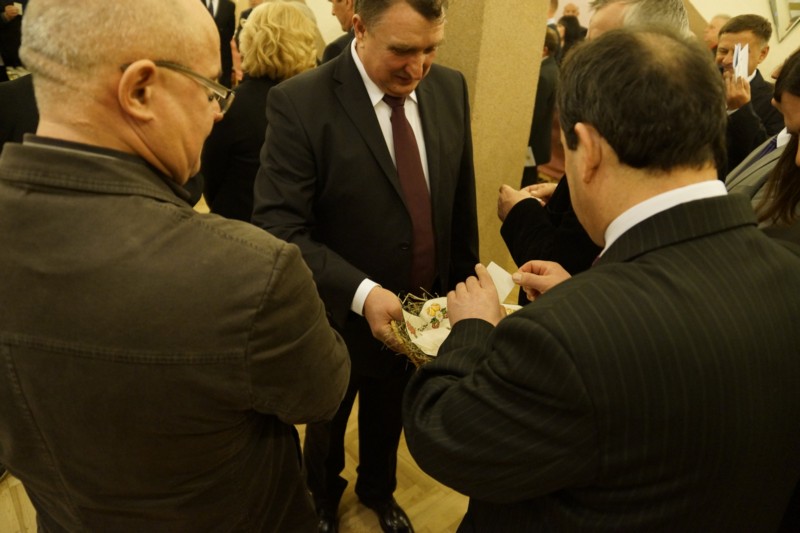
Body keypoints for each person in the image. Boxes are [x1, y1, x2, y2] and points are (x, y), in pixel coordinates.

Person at [403, 27, 800, 531]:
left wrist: (472, 330)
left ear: (587, 150)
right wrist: (582, 294)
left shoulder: (565, 336)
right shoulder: (789, 273)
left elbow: (445, 434)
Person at [0, 0, 349, 531]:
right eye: (210, 89)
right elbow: (323, 393)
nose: (217, 112)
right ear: (140, 91)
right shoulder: (252, 275)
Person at [251, 0, 479, 530]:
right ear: (359, 27)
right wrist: (362, 292)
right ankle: (322, 497)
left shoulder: (450, 88)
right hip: (338, 314)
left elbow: (458, 200)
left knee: (392, 409)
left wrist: (463, 287)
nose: (418, 68)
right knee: (329, 421)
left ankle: (379, 489)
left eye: (431, 49)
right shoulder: (300, 102)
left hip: (422, 313)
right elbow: (278, 226)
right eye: (402, 50)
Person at [499, 0, 692, 281]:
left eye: (599, 48)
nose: (583, 60)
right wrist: (567, 195)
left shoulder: (627, 136)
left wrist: (518, 212)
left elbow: (562, 264)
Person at [202, 1, 317, 221]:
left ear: (250, 41)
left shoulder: (230, 105)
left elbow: (210, 180)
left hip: (237, 227)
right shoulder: (315, 102)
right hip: (297, 231)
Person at [521, 27, 559, 188]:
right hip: (539, 142)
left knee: (525, 183)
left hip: (532, 143)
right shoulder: (552, 69)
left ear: (544, 49)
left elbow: (535, 114)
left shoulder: (543, 75)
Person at [204, 0, 236, 88]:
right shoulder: (196, 3)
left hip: (223, 57)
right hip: (202, 56)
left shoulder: (229, 5)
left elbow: (230, 31)